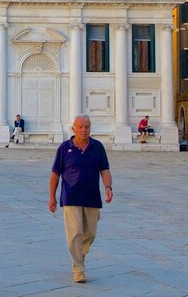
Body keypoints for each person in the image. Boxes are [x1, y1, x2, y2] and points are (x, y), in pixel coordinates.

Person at [48, 115, 114, 284]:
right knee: (75, 233)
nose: (84, 130)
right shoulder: (64, 148)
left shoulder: (97, 147)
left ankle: (79, 255)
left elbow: (104, 169)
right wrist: (52, 197)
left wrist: (108, 187)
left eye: (87, 127)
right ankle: (78, 269)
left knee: (90, 233)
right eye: (80, 127)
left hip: (92, 196)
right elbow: (55, 174)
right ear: (74, 129)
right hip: (71, 196)